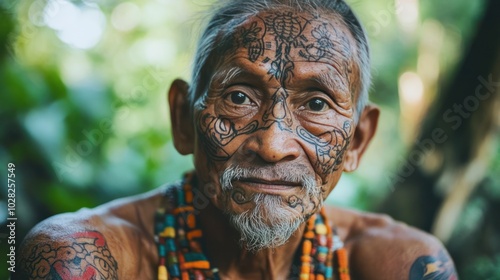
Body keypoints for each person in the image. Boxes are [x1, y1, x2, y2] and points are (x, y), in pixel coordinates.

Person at [15, 0, 458, 279]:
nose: (273, 144)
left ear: (358, 140)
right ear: (183, 119)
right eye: (239, 97)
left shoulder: (403, 265)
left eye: (317, 104)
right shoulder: (82, 259)